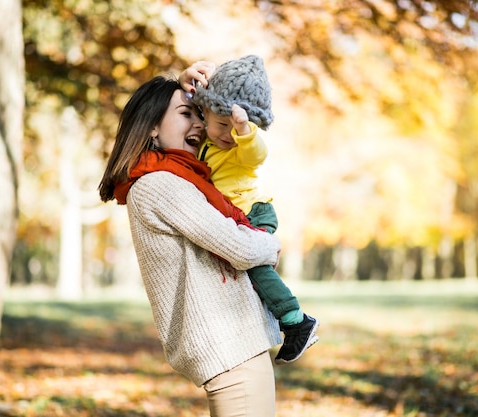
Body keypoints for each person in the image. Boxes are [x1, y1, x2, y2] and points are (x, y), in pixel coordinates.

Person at [98, 75, 283, 417]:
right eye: (187, 114)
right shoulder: (160, 184)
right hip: (231, 355)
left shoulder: (178, 175)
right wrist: (270, 244)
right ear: (151, 126)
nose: (200, 123)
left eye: (200, 114)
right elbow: (240, 248)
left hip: (236, 350)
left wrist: (189, 82)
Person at [179, 55, 319, 365]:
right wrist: (183, 81)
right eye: (222, 124)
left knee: (255, 266)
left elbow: (257, 155)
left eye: (238, 128)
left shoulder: (242, 147)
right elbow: (180, 111)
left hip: (254, 211)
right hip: (235, 212)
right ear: (207, 112)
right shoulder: (206, 138)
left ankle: (296, 321)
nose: (227, 134)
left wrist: (245, 131)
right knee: (243, 269)